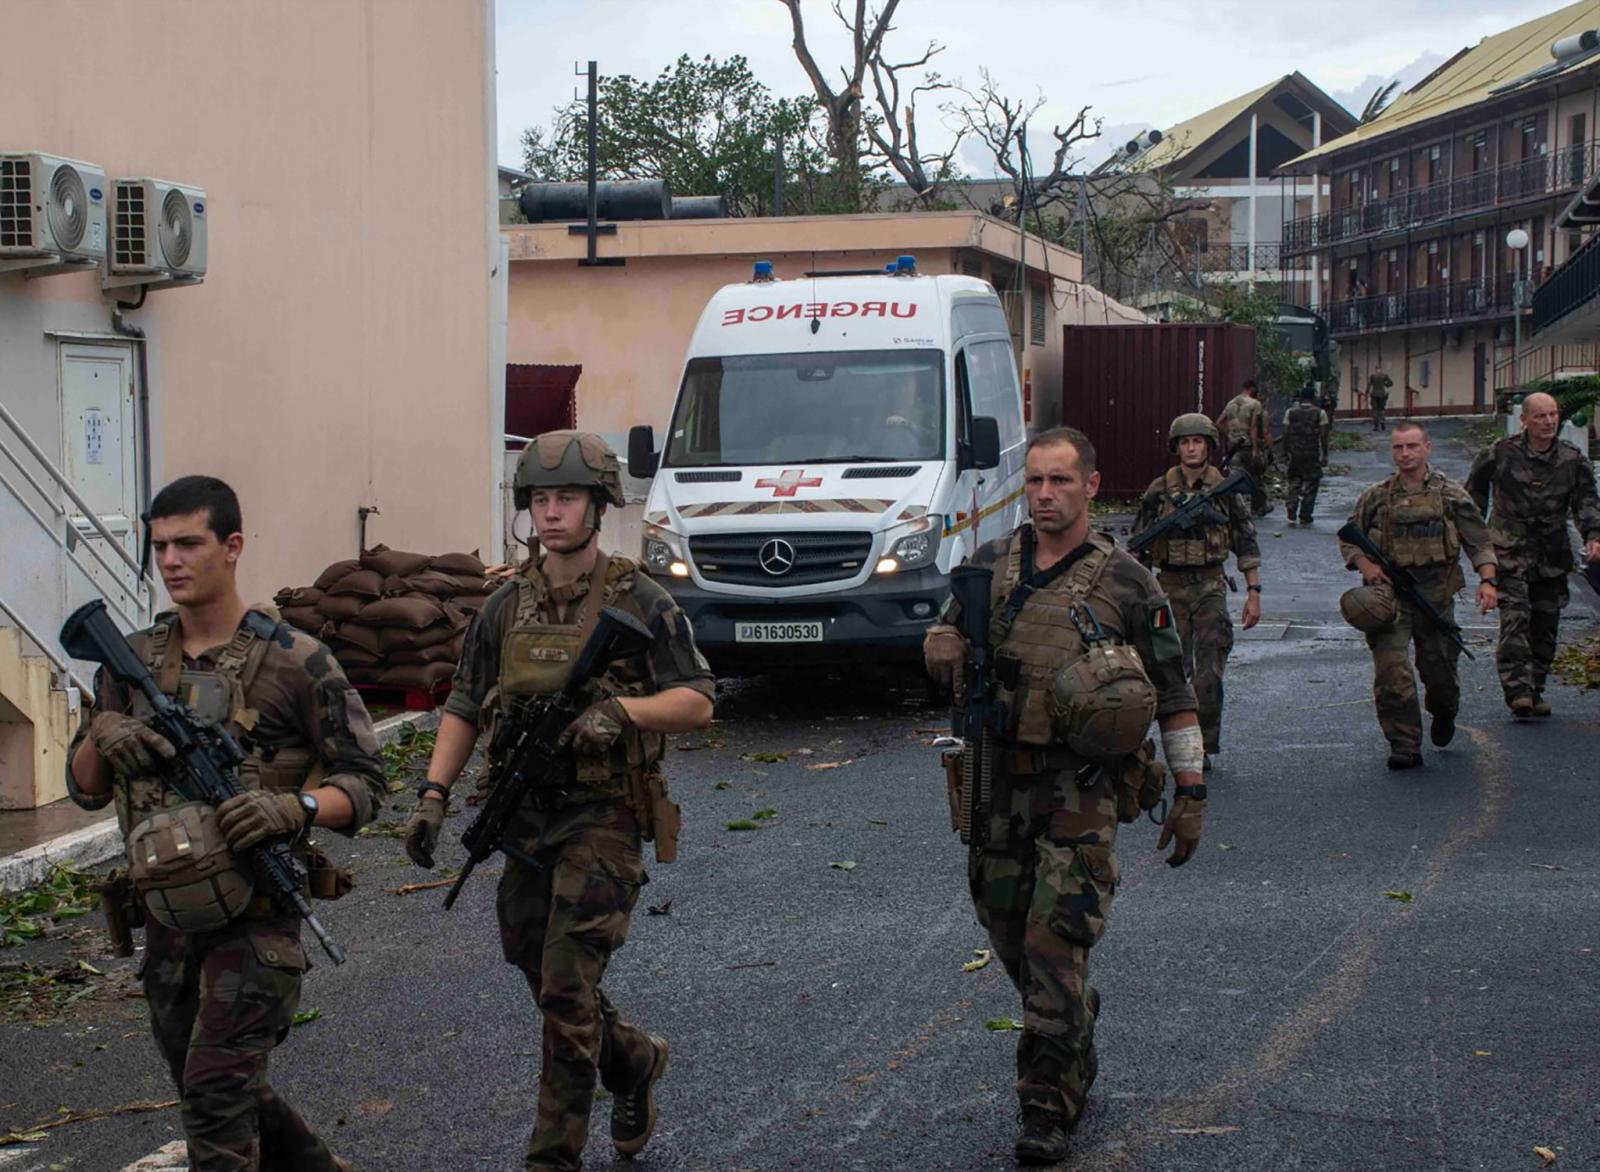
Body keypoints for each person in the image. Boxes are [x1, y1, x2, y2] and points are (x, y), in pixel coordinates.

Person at [404, 431, 714, 1172]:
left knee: (568, 986)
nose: (551, 513)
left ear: (598, 505)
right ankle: (632, 1059)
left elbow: (697, 700)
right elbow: (466, 702)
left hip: (604, 814)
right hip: (524, 815)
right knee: (532, 962)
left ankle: (553, 1156)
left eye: (566, 498)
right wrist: (433, 795)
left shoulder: (640, 599)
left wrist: (624, 714)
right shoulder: (506, 604)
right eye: (540, 500)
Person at [65, 475, 386, 1172]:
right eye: (160, 547)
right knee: (222, 1089)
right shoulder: (131, 660)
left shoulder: (297, 662)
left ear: (232, 546)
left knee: (214, 1101)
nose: (172, 561)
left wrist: (293, 806)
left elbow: (366, 784)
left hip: (258, 919)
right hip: (167, 923)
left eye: (189, 543)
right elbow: (84, 788)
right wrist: (106, 729)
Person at [922, 427, 1207, 1163]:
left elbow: (1176, 694)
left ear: (1091, 484)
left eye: (1062, 482)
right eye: (1036, 482)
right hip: (997, 784)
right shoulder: (990, 565)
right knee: (1011, 934)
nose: (1046, 496)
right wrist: (941, 645)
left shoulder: (1127, 583)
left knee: (1056, 943)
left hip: (1082, 792)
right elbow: (945, 637)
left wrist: (1191, 790)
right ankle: (1073, 1013)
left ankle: (1046, 1106)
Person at [1338, 423, 1498, 769]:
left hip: (1435, 597)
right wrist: (1365, 565)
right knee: (1392, 674)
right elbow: (1349, 536)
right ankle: (1404, 744)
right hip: (1390, 598)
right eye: (1398, 448)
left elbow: (1478, 541)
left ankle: (1444, 712)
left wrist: (1488, 581)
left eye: (1412, 446)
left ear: (1427, 447)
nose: (1405, 454)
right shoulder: (1376, 496)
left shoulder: (1451, 495)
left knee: (1440, 676)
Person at [1133, 413, 1262, 769]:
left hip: (1209, 586)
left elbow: (1246, 539)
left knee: (1208, 675)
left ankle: (1202, 747)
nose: (1192, 448)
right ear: (1176, 447)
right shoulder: (1160, 490)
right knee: (1167, 672)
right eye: (1186, 442)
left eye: (1199, 442)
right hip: (1168, 588)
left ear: (1208, 445)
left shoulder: (1224, 487)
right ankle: (1175, 743)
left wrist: (1254, 591)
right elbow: (1138, 547)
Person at [1465, 391, 1600, 718]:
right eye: (1540, 416)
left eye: (1553, 414)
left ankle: (1536, 687)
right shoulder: (1500, 453)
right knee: (1515, 620)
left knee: (1545, 625)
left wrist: (1594, 536)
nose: (1548, 421)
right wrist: (1475, 536)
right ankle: (1518, 692)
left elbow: (1586, 502)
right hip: (1508, 553)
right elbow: (1473, 493)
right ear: (1524, 420)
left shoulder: (1572, 459)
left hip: (1551, 555)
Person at [1216, 378, 1271, 516]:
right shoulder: (1254, 404)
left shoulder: (1231, 403)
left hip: (1233, 446)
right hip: (1247, 445)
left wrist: (1230, 435)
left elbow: (1217, 422)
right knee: (1255, 476)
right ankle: (1257, 508)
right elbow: (1253, 428)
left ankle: (1234, 508)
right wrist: (1255, 450)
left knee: (1234, 478)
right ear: (1252, 389)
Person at [1282, 386, 1331, 526]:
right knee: (1311, 484)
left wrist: (1285, 452)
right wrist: (1325, 455)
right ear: (1313, 398)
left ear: (1301, 398)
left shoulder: (1290, 412)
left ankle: (1291, 508)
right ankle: (1305, 514)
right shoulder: (1320, 413)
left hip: (1295, 454)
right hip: (1311, 453)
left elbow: (1285, 433)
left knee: (1294, 481)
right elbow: (1323, 435)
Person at [1367, 366, 1393, 431]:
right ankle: (1382, 422)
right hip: (1382, 394)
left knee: (1375, 410)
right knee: (1382, 409)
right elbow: (1390, 383)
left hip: (1374, 394)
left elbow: (1369, 385)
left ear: (1375, 370)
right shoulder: (1384, 376)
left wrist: (1366, 393)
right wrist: (1385, 384)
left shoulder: (1372, 376)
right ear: (1381, 369)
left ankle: (1376, 426)